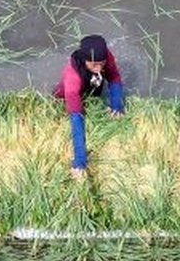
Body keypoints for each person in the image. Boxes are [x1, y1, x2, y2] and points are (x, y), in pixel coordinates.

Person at [52, 34, 125, 178]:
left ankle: (93, 95)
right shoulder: (72, 76)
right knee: (63, 100)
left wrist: (116, 106)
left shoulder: (105, 57)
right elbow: (76, 118)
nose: (99, 68)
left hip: (91, 84)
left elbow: (114, 77)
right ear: (85, 60)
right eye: (94, 64)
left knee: (96, 91)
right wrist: (80, 160)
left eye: (101, 63)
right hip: (68, 92)